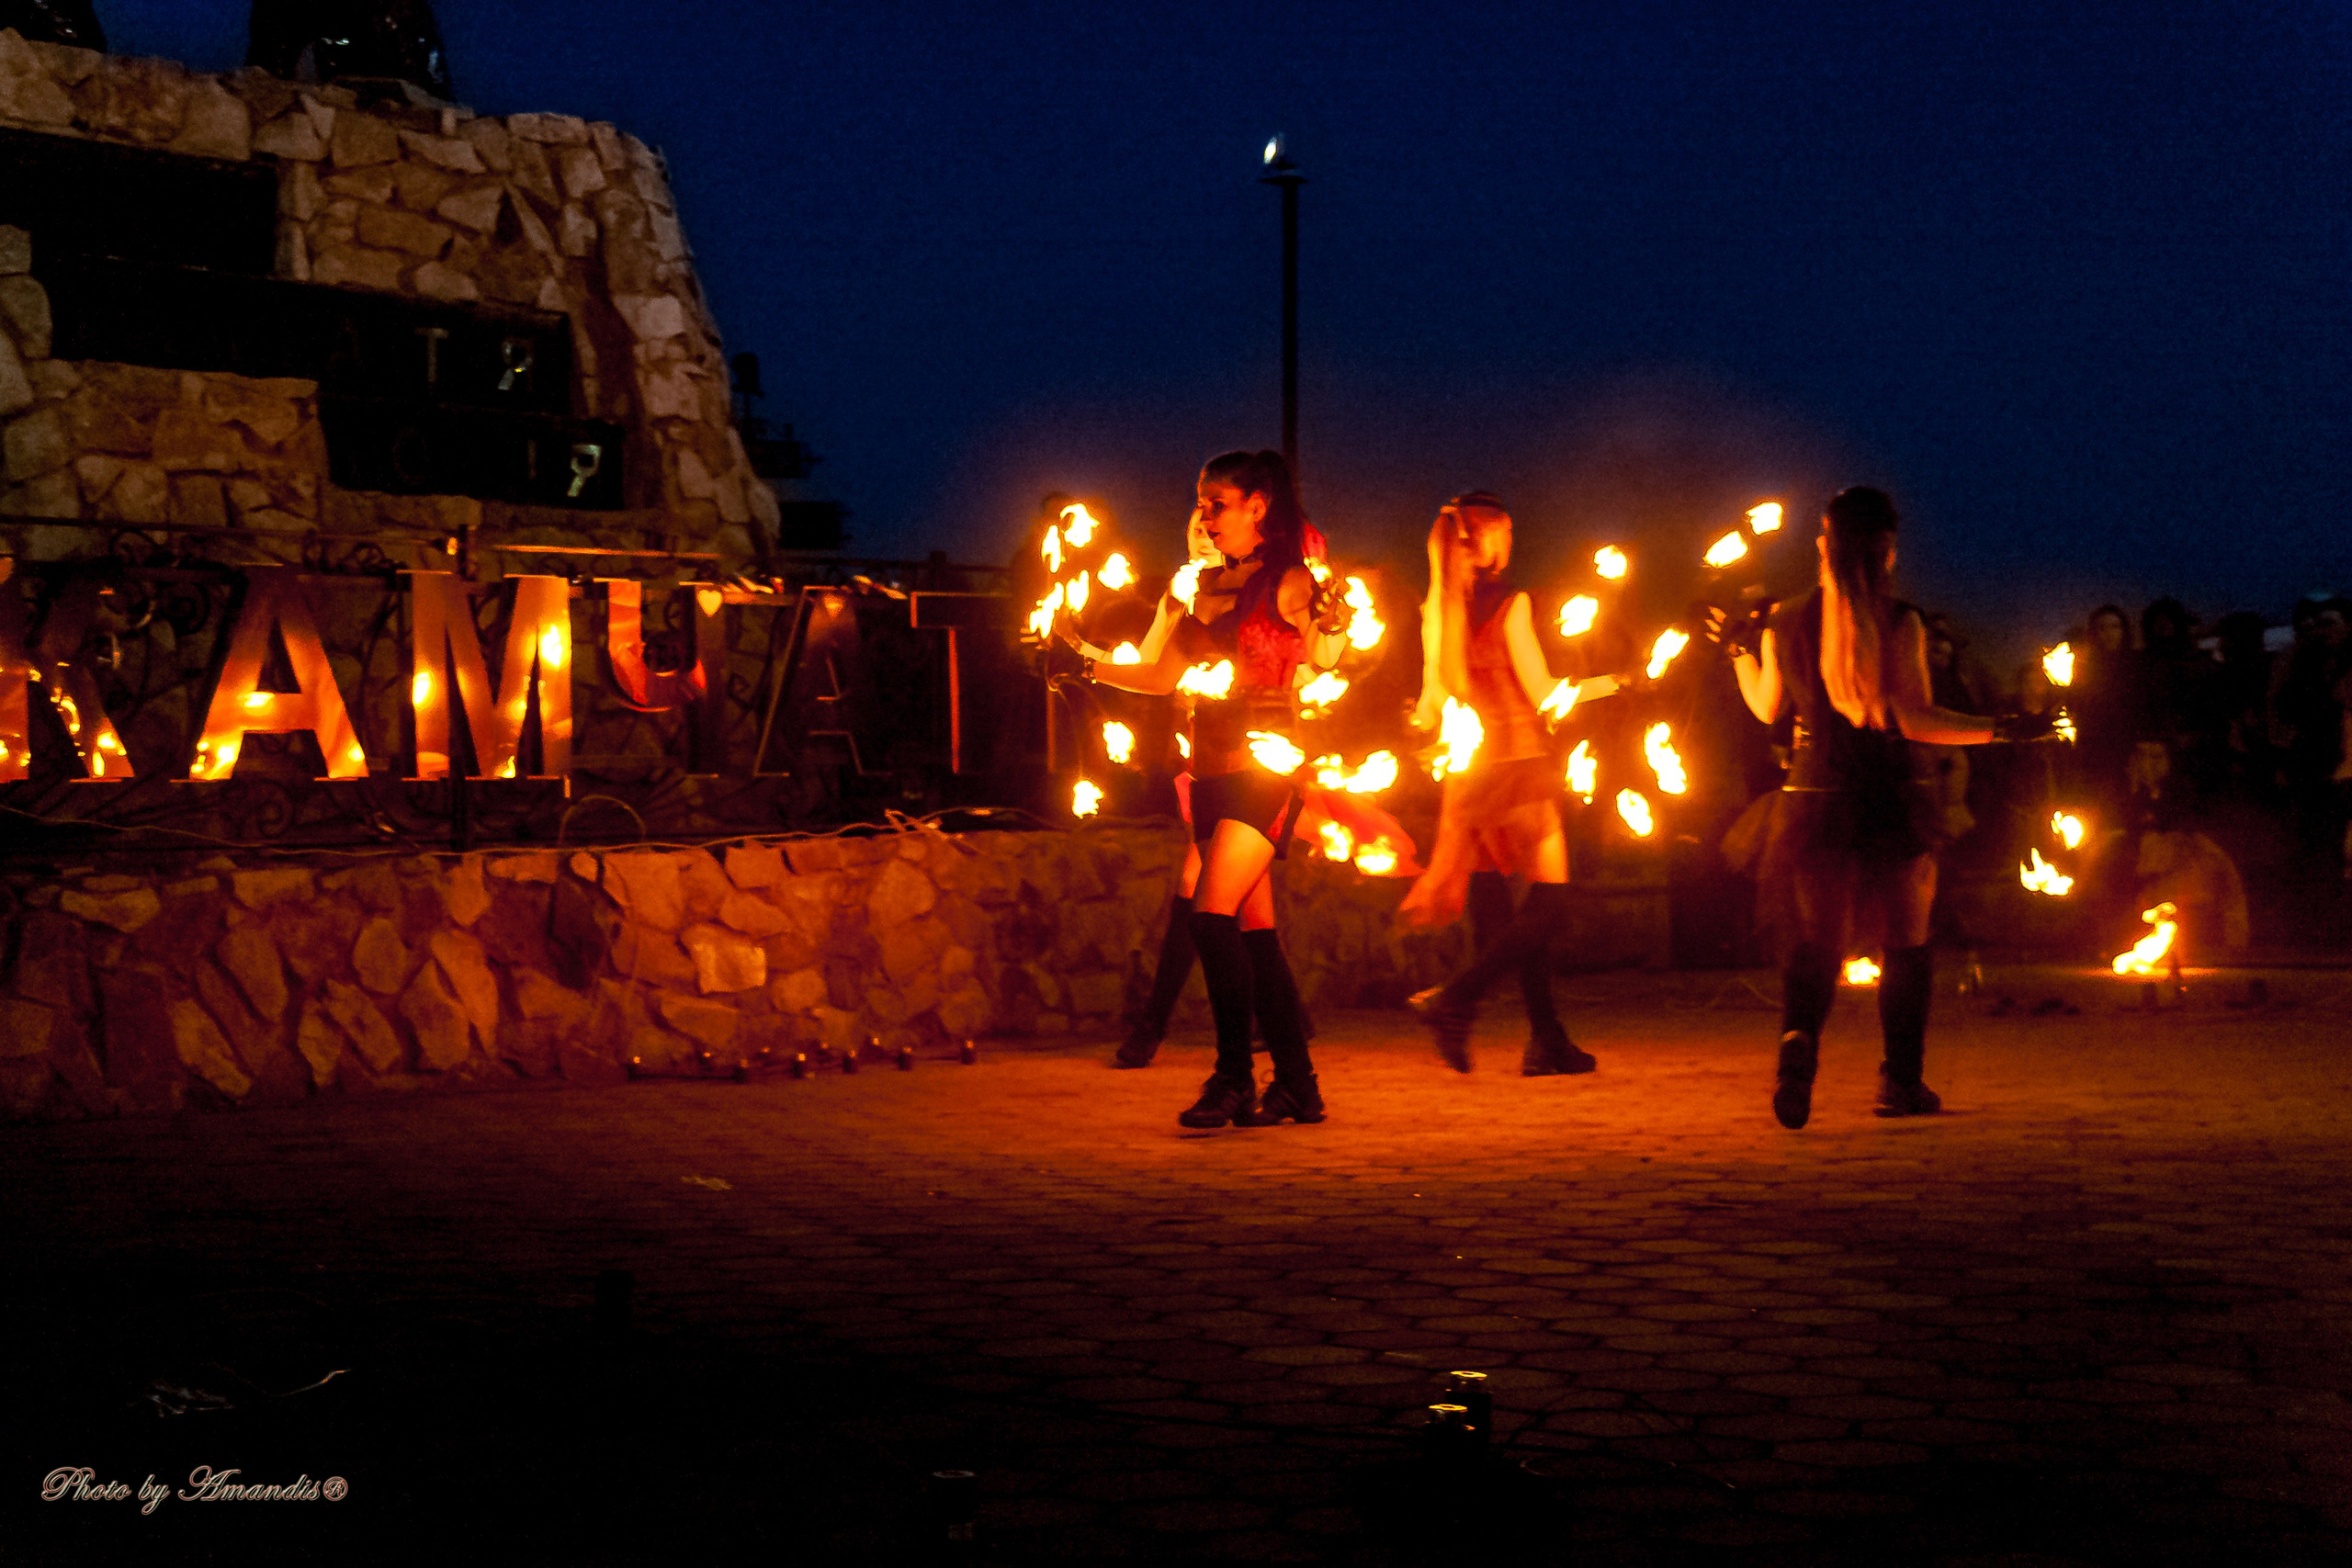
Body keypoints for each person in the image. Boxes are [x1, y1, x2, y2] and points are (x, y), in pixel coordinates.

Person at [1721, 487, 2056, 1127]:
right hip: (1891, 797)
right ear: (1889, 552)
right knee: (1907, 938)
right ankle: (1899, 1082)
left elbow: (1767, 707)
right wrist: (2003, 729)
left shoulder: (1786, 619)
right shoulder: (1900, 620)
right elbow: (1914, 718)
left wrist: (1739, 649)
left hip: (1812, 797)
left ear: (1824, 543)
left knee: (1820, 940)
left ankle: (1797, 1049)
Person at [1074, 451, 1350, 1126]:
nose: (1205, 513)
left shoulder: (1287, 580)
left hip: (1265, 771)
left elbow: (1323, 654)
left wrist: (1334, 626)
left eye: (1218, 502)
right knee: (1257, 940)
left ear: (1258, 506)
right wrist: (1080, 661)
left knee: (1207, 914)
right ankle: (1299, 1086)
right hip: (1210, 774)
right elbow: (1160, 677)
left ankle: (1232, 1079)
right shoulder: (1198, 590)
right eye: (1201, 501)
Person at [1398, 493, 1605, 1076]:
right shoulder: (1512, 605)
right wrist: (1610, 683)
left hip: (1472, 772)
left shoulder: (1437, 609)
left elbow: (1431, 706)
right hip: (1519, 763)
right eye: (1505, 534)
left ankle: (1546, 1039)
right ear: (1487, 541)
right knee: (1551, 904)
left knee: (1500, 915)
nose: (1510, 546)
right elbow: (1543, 695)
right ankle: (1454, 999)